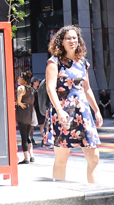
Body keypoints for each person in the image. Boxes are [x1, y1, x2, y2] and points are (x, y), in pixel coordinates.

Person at [44, 25, 103, 183]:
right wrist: (59, 110)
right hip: (63, 113)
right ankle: (60, 196)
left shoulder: (82, 62)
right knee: (62, 158)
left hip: (82, 112)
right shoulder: (54, 62)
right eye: (68, 38)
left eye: (75, 37)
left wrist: (96, 110)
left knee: (94, 156)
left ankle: (96, 197)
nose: (72, 41)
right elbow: (50, 88)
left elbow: (87, 88)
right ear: (61, 42)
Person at [16, 70, 35, 164]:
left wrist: (18, 102)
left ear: (22, 80)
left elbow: (19, 98)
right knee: (28, 135)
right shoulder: (31, 89)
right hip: (30, 113)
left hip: (22, 113)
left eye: (19, 78)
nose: (18, 80)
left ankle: (26, 157)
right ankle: (32, 155)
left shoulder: (21, 88)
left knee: (23, 136)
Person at [31, 77, 46, 145]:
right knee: (32, 125)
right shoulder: (31, 90)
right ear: (34, 82)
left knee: (42, 124)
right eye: (37, 81)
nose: (38, 82)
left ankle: (44, 138)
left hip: (40, 109)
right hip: (34, 109)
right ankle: (31, 138)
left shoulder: (39, 90)